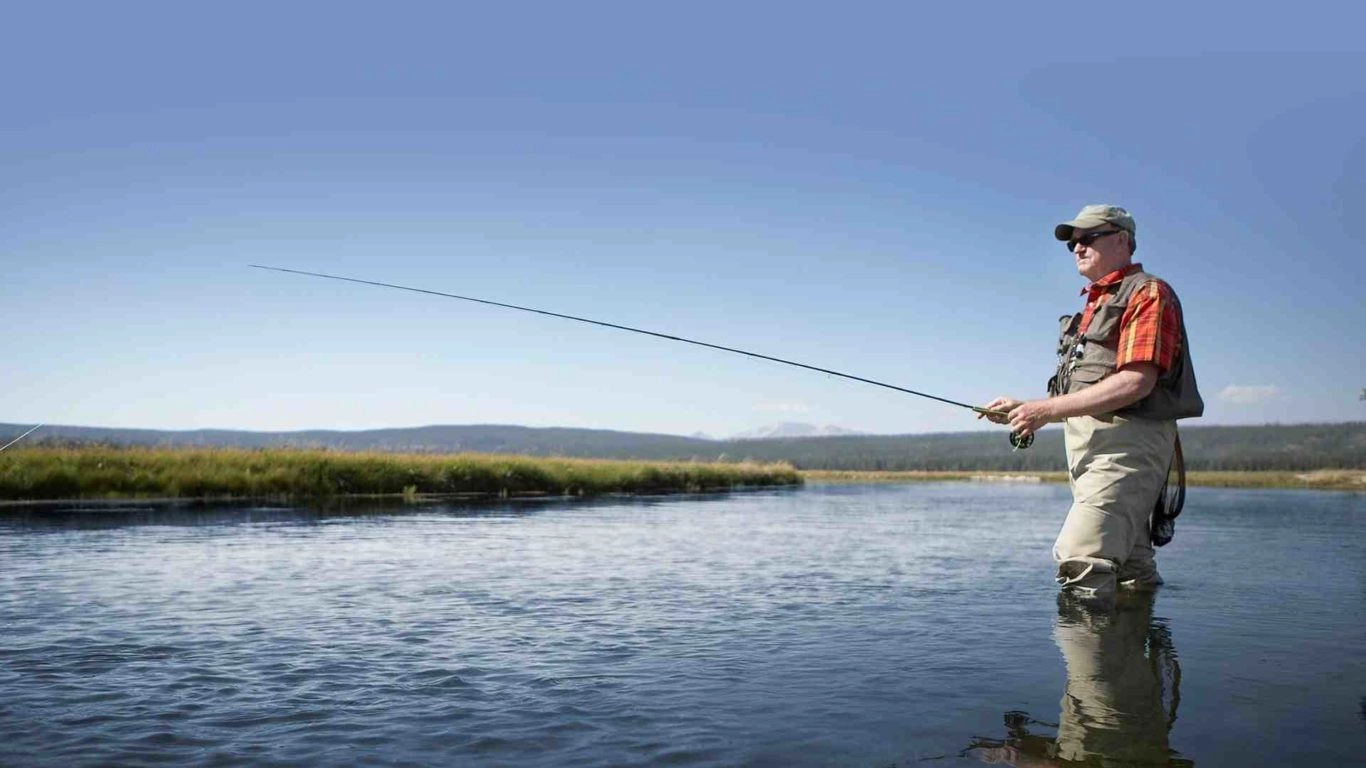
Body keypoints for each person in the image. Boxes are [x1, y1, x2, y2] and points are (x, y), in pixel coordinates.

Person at [981, 205, 1203, 601]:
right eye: (1072, 243)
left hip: (1126, 448)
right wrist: (1025, 407)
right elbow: (1082, 387)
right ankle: (1132, 657)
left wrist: (1045, 411)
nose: (1077, 248)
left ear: (1121, 239)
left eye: (1087, 237)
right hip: (1090, 453)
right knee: (1132, 568)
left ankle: (1088, 663)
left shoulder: (1148, 293)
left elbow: (1136, 381)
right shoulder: (1095, 303)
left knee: (1081, 559)